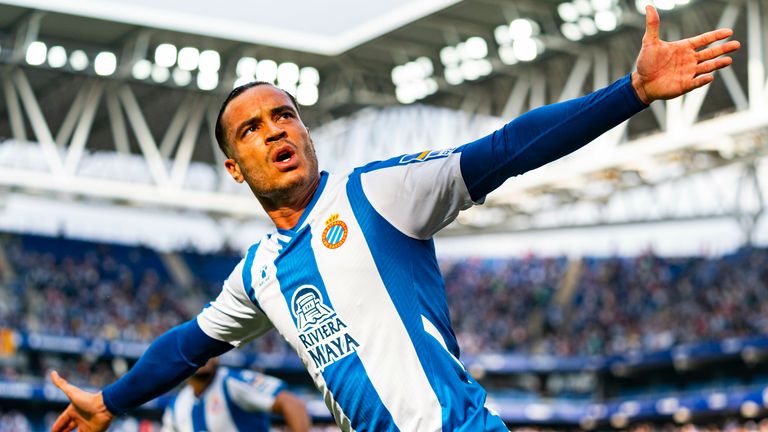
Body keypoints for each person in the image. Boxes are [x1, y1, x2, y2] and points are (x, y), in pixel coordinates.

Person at [49, 6, 740, 431]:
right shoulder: (259, 272)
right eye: (251, 129)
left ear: (306, 129)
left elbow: (505, 150)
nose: (274, 130)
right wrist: (110, 400)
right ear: (235, 166)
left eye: (284, 115)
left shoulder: (379, 193)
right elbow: (187, 345)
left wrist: (632, 93)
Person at [161, 357, 311, 431]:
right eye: (192, 350)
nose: (201, 355)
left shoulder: (233, 382)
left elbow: (292, 404)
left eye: (206, 348)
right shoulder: (176, 405)